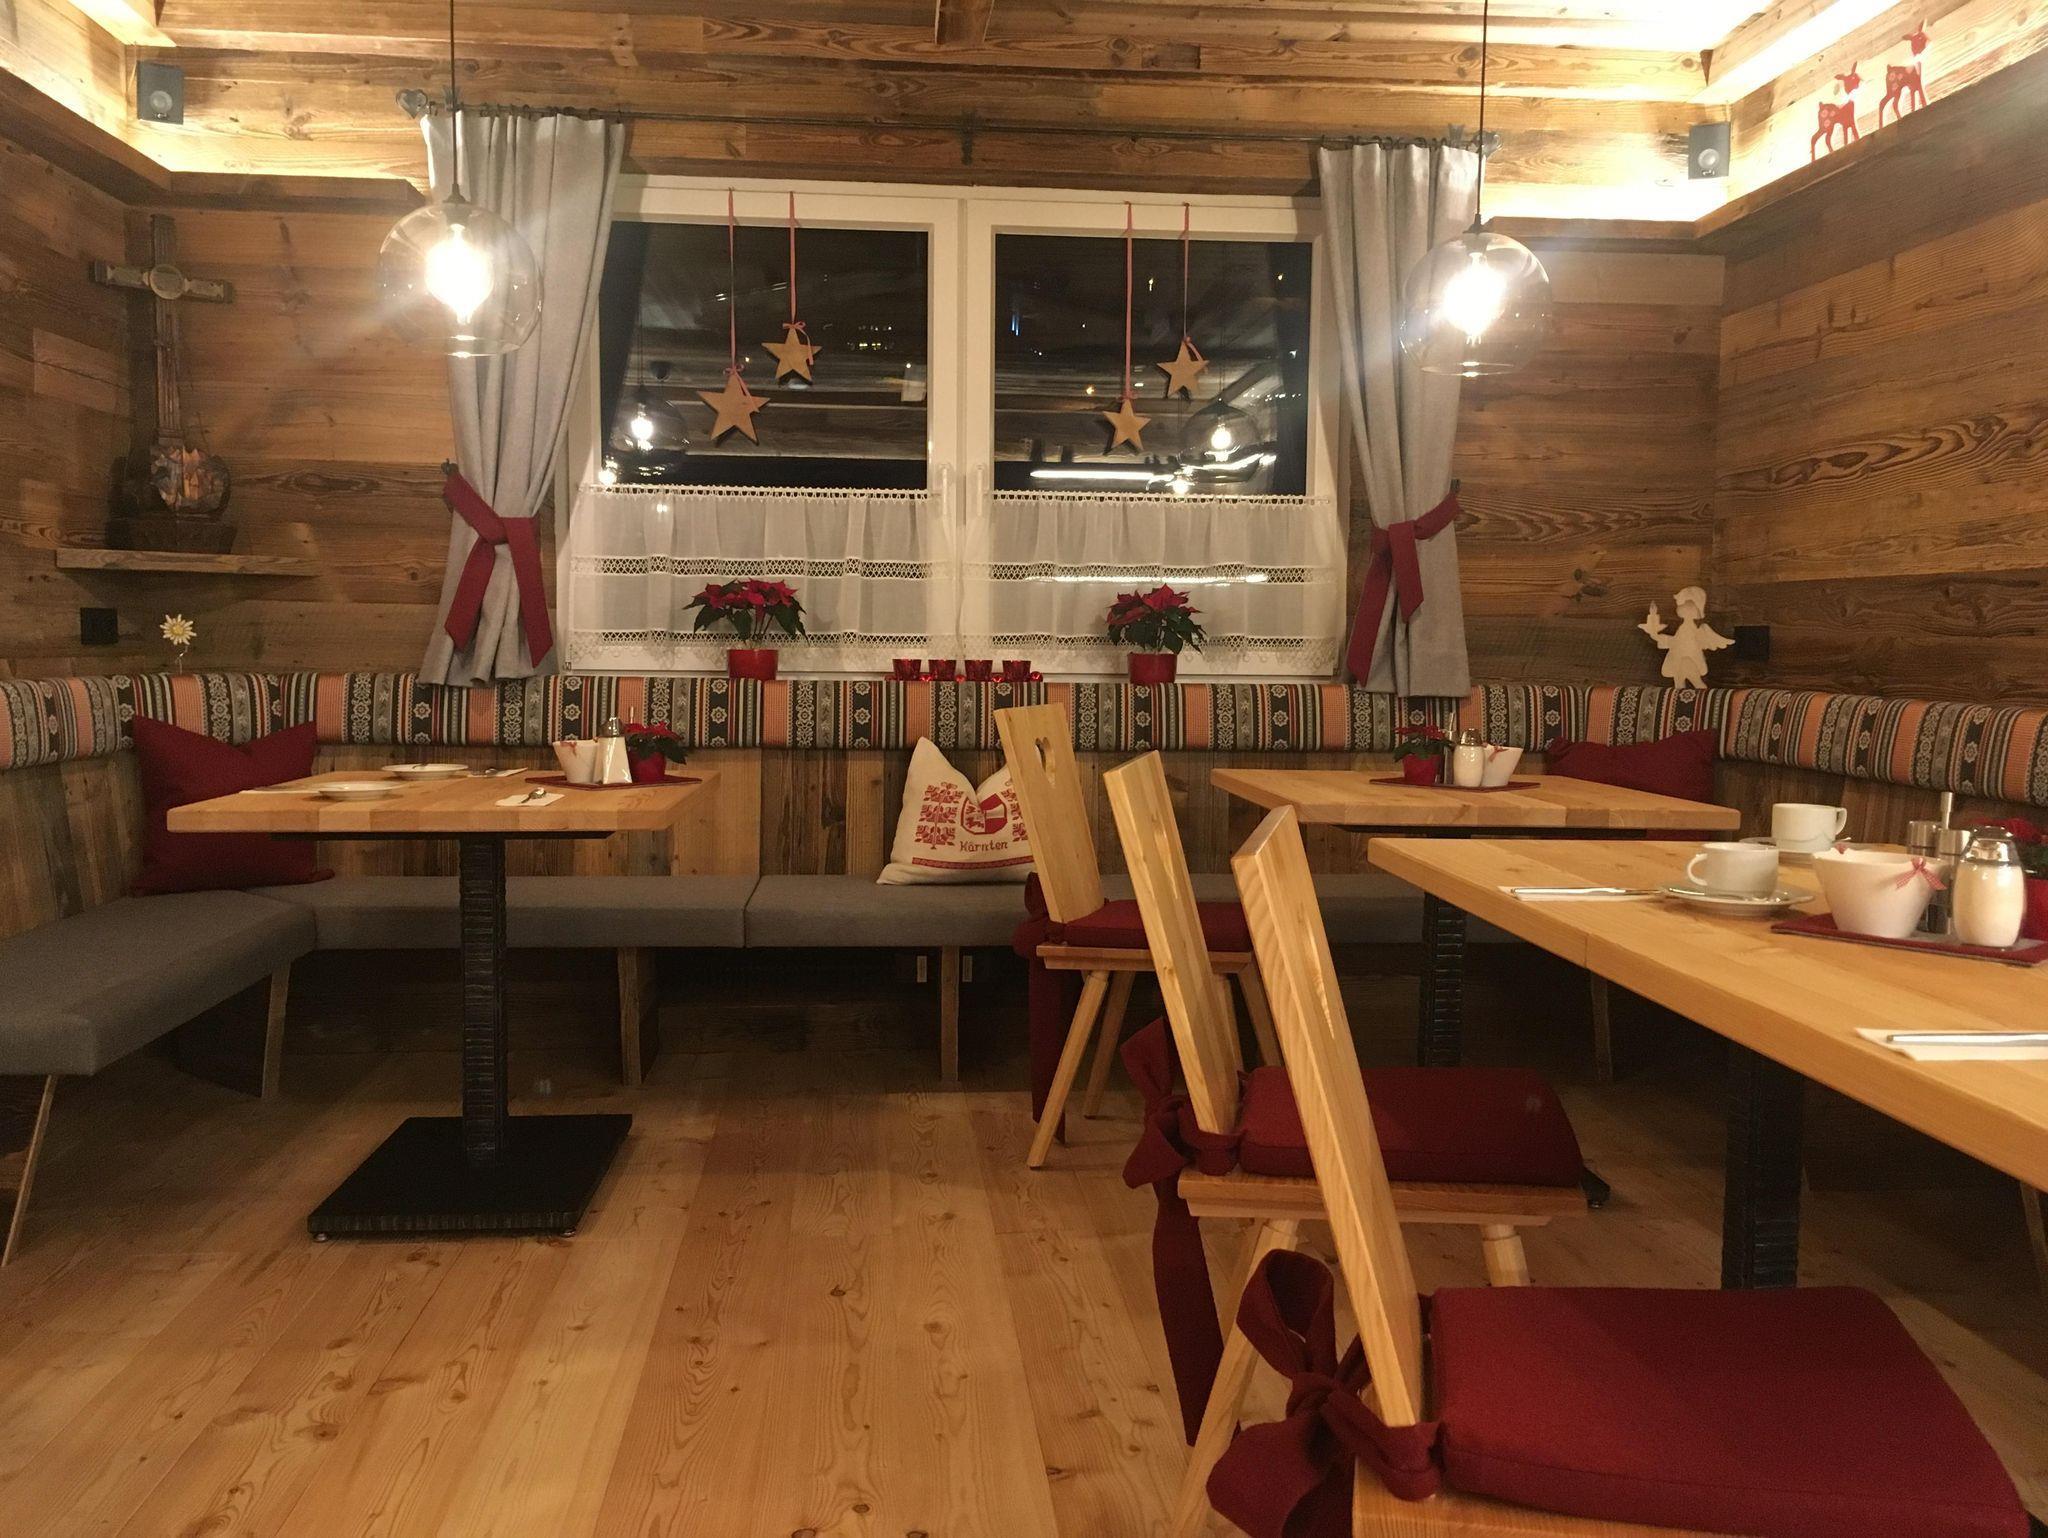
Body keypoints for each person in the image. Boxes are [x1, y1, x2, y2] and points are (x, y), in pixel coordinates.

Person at [1639, 585, 1731, 690]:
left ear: (1696, 609)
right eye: (1681, 605)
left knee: (1694, 682)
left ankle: (1702, 696)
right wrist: (1656, 635)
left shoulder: (1693, 629)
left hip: (1688, 661)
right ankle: (1681, 697)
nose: (1681, 607)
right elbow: (1675, 642)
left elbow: (1680, 643)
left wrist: (1659, 637)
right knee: (1679, 683)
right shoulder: (1683, 627)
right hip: (1679, 659)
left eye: (1687, 605)